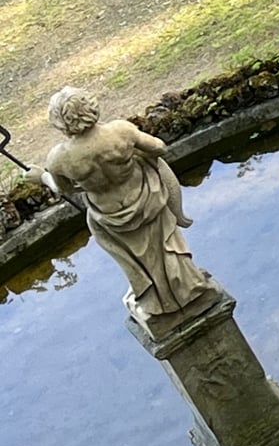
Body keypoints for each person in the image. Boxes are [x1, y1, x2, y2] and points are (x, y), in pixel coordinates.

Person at [41, 87, 216, 328]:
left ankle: (156, 303)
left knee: (139, 258)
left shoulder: (58, 159)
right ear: (91, 106)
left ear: (60, 122)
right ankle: (190, 288)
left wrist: (42, 177)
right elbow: (159, 148)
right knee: (165, 245)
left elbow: (65, 189)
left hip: (109, 214)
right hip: (146, 198)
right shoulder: (120, 131)